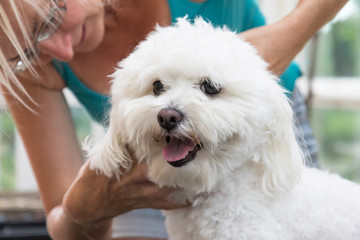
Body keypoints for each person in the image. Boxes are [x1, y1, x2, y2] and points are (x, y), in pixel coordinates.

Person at [0, 0, 347, 239]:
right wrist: (84, 209)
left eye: (48, 21)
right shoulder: (31, 70)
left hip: (255, 137)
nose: (59, 51)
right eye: (28, 49)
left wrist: (269, 52)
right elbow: (64, 220)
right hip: (147, 159)